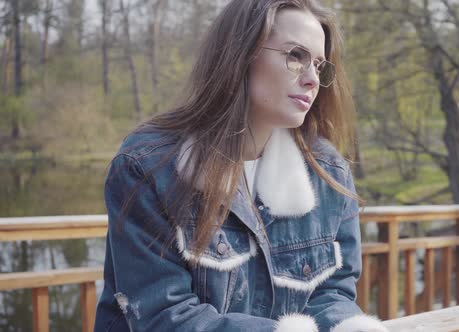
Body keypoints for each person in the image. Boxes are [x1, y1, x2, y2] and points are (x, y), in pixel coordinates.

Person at [94, 0, 387, 331]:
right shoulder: (148, 166)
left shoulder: (327, 172)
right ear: (241, 54)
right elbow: (164, 316)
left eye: (319, 66)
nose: (312, 80)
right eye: (296, 56)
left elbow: (332, 295)